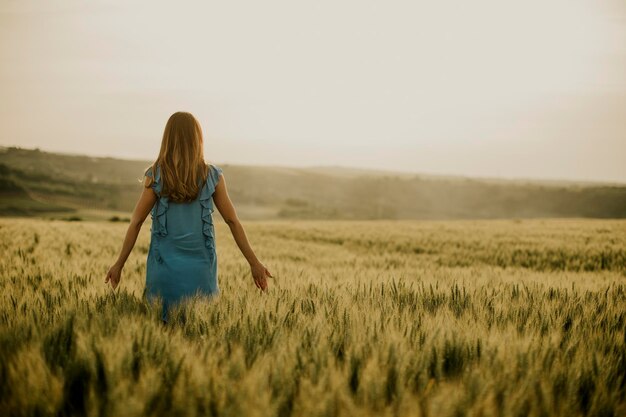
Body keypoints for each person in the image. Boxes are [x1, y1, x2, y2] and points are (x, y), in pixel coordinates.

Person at [105, 111, 272, 322]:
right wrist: (254, 263)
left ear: (168, 139)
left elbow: (136, 222)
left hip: (164, 269)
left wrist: (119, 264)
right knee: (199, 329)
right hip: (200, 269)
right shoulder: (213, 176)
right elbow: (232, 221)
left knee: (162, 329)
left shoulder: (155, 175)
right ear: (198, 138)